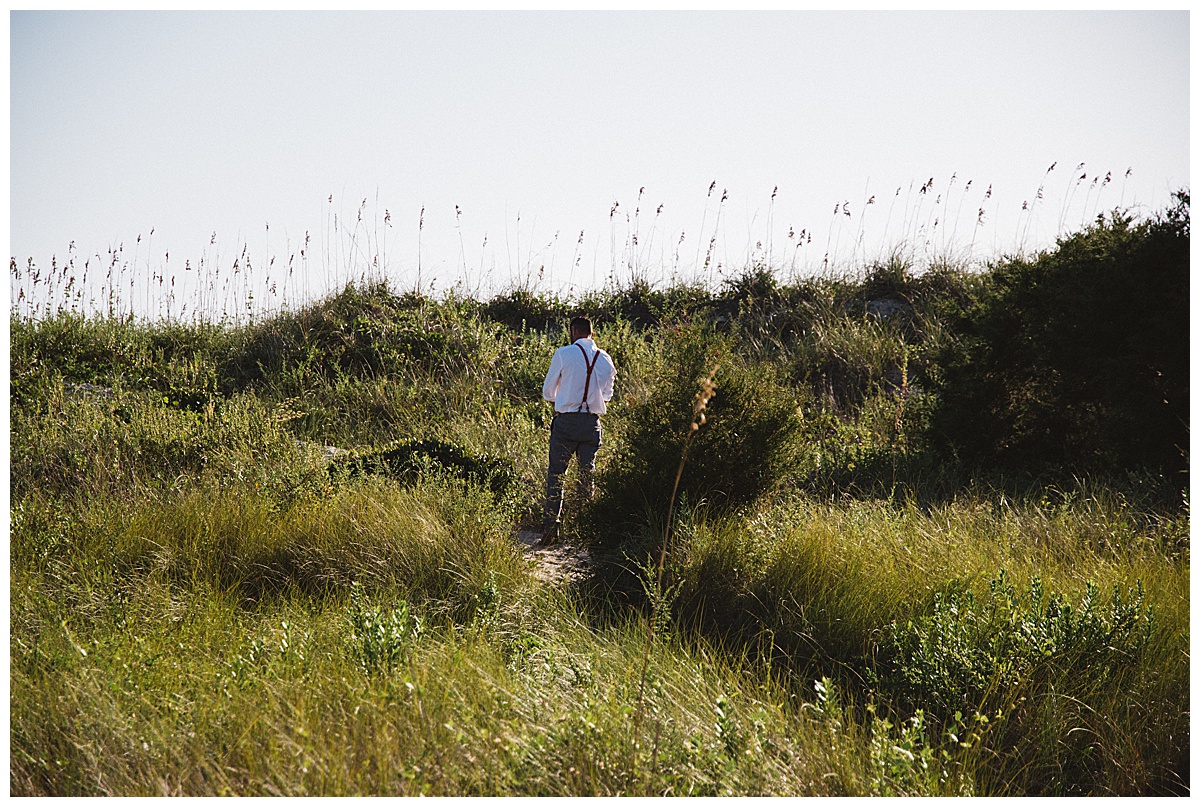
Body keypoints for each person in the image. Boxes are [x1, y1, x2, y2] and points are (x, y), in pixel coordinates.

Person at [540, 316, 616, 544]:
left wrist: (563, 399)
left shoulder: (564, 353)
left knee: (556, 476)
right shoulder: (605, 359)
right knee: (587, 477)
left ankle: (550, 532)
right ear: (592, 334)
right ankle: (586, 533)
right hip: (591, 424)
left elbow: (547, 392)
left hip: (566, 423)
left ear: (573, 331)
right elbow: (608, 396)